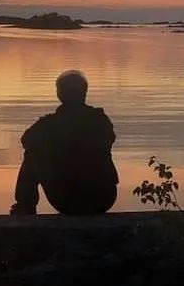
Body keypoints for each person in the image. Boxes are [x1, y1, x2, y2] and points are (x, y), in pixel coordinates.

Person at [11, 70, 118, 215]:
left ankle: (25, 206)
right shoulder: (100, 120)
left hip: (67, 199)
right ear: (84, 93)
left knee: (32, 154)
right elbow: (109, 140)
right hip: (104, 198)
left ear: (60, 94)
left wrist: (51, 152)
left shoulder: (49, 124)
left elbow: (26, 140)